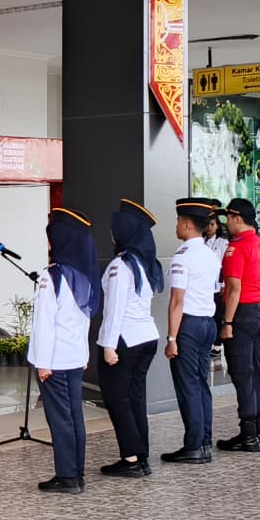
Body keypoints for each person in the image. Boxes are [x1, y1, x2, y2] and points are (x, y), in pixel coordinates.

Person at [31, 207, 100, 494]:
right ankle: (76, 473)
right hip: (74, 358)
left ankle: (67, 476)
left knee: (60, 419)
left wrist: (43, 363)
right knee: (74, 416)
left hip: (54, 361)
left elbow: (44, 325)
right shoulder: (83, 276)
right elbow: (85, 320)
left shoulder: (52, 277)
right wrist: (84, 356)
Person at [96, 199, 163, 479]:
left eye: (116, 228)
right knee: (135, 398)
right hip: (146, 338)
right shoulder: (144, 263)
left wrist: (108, 345)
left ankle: (131, 458)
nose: (112, 233)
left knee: (117, 399)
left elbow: (115, 309)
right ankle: (140, 454)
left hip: (124, 339)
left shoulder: (120, 266)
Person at [162, 198, 222, 465]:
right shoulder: (211, 255)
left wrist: (171, 338)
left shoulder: (183, 256)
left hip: (188, 326)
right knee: (200, 384)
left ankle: (193, 446)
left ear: (187, 224)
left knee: (188, 386)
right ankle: (204, 441)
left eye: (178, 221)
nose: (176, 225)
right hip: (208, 323)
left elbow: (177, 301)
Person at [216, 198, 260, 453]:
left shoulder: (236, 247)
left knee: (242, 373)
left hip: (241, 314)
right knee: (254, 372)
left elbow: (233, 288)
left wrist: (228, 322)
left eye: (228, 219)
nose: (227, 224)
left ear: (237, 219)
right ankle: (257, 430)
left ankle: (249, 435)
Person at [204, 200, 229, 356]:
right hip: (205, 284)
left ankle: (217, 344)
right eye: (207, 224)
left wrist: (225, 283)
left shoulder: (222, 242)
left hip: (218, 283)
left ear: (218, 226)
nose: (209, 227)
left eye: (212, 224)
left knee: (217, 314)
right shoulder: (202, 242)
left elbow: (225, 264)